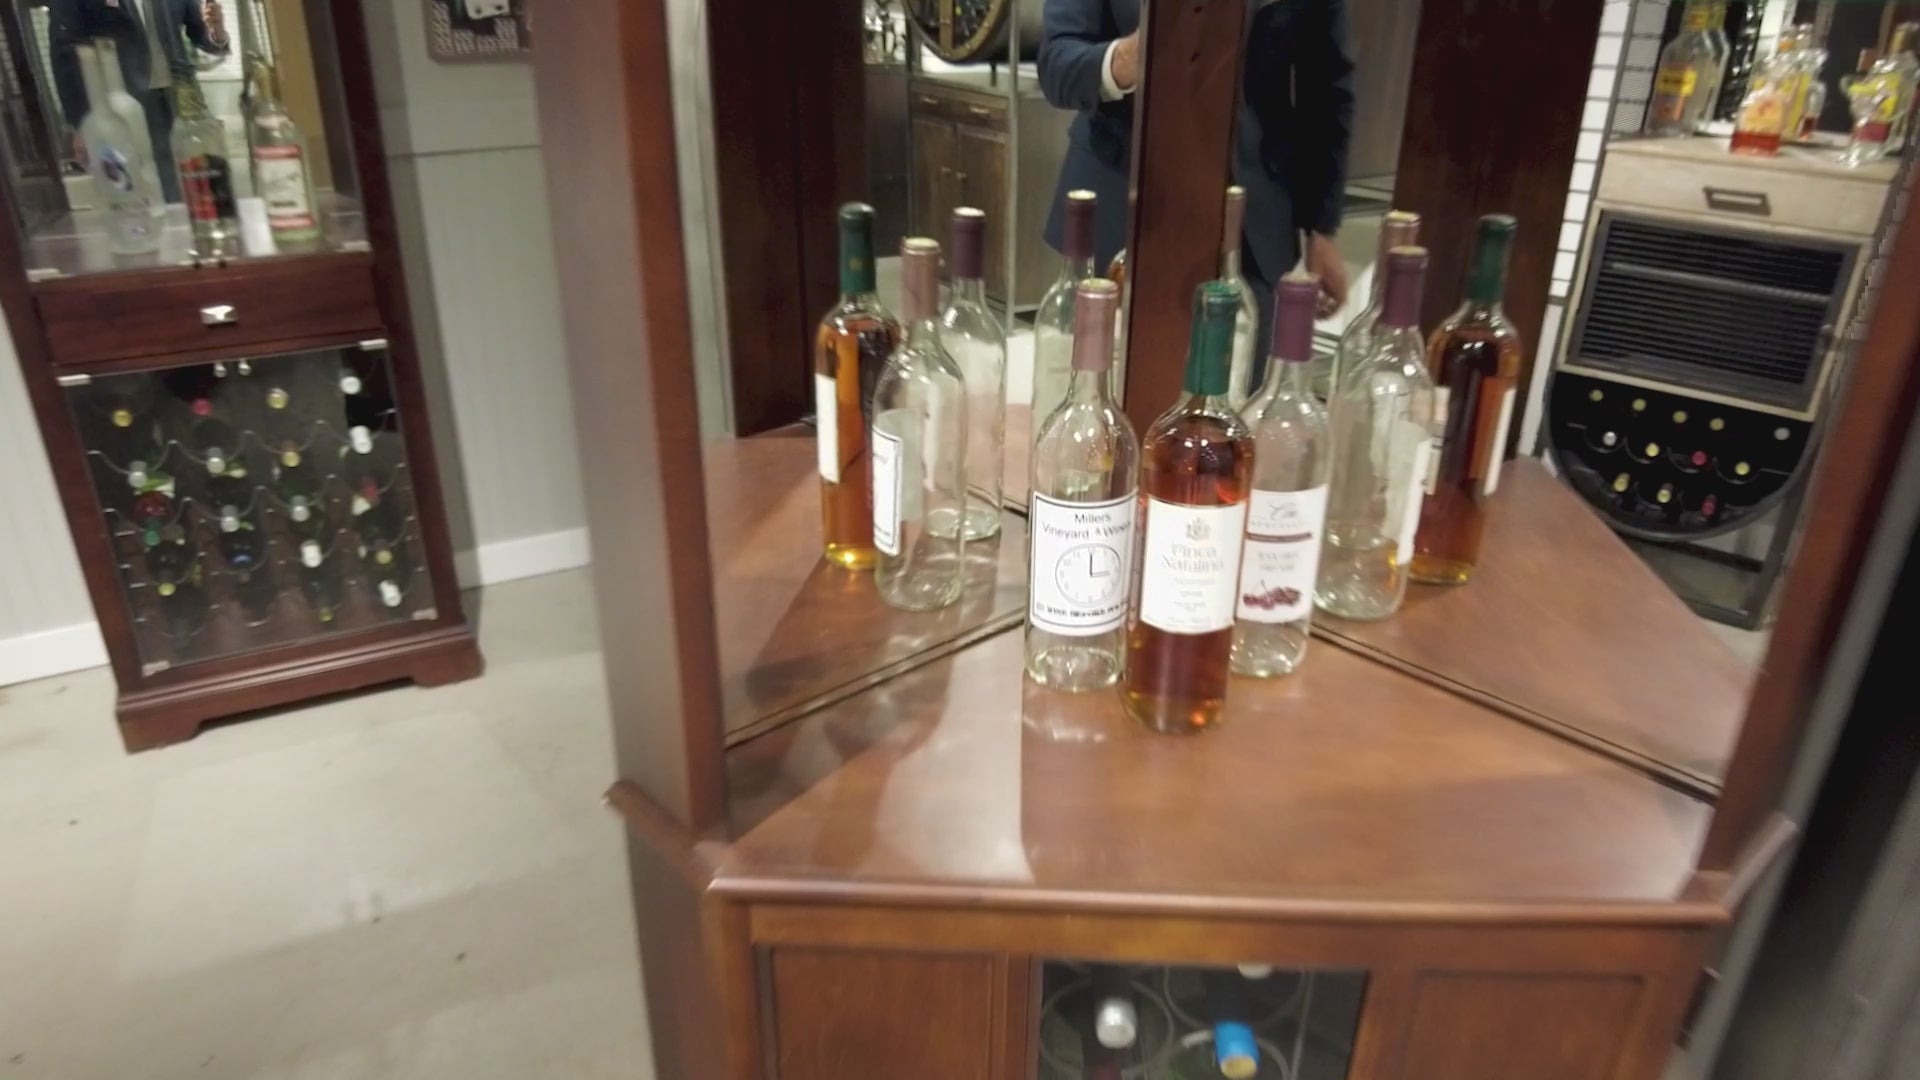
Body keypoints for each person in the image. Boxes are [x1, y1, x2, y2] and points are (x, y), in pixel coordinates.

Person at [1038, 0, 1355, 377]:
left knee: (1236, 399)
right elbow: (1057, 65)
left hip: (1252, 234)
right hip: (1116, 213)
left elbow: (1327, 90)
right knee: (1093, 399)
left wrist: (1321, 227)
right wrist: (1128, 58)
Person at [49, 0, 230, 203]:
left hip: (182, 94)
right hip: (122, 104)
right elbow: (64, 51)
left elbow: (200, 33)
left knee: (201, 179)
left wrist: (217, 34)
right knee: (138, 190)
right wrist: (81, 122)